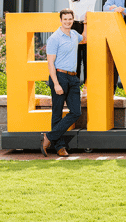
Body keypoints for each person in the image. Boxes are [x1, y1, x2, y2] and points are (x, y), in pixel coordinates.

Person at [41, 9, 85, 157]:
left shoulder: (74, 35)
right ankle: (60, 147)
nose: (67, 21)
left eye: (70, 19)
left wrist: (86, 21)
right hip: (59, 76)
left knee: (76, 112)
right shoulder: (54, 38)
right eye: (65, 19)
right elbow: (50, 63)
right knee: (57, 114)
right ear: (60, 20)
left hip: (73, 78)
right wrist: (56, 83)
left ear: (73, 20)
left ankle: (49, 136)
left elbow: (84, 38)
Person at [62, 0, 102, 96]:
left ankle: (87, 87)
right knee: (75, 59)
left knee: (88, 59)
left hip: (89, 26)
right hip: (74, 27)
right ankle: (75, 87)